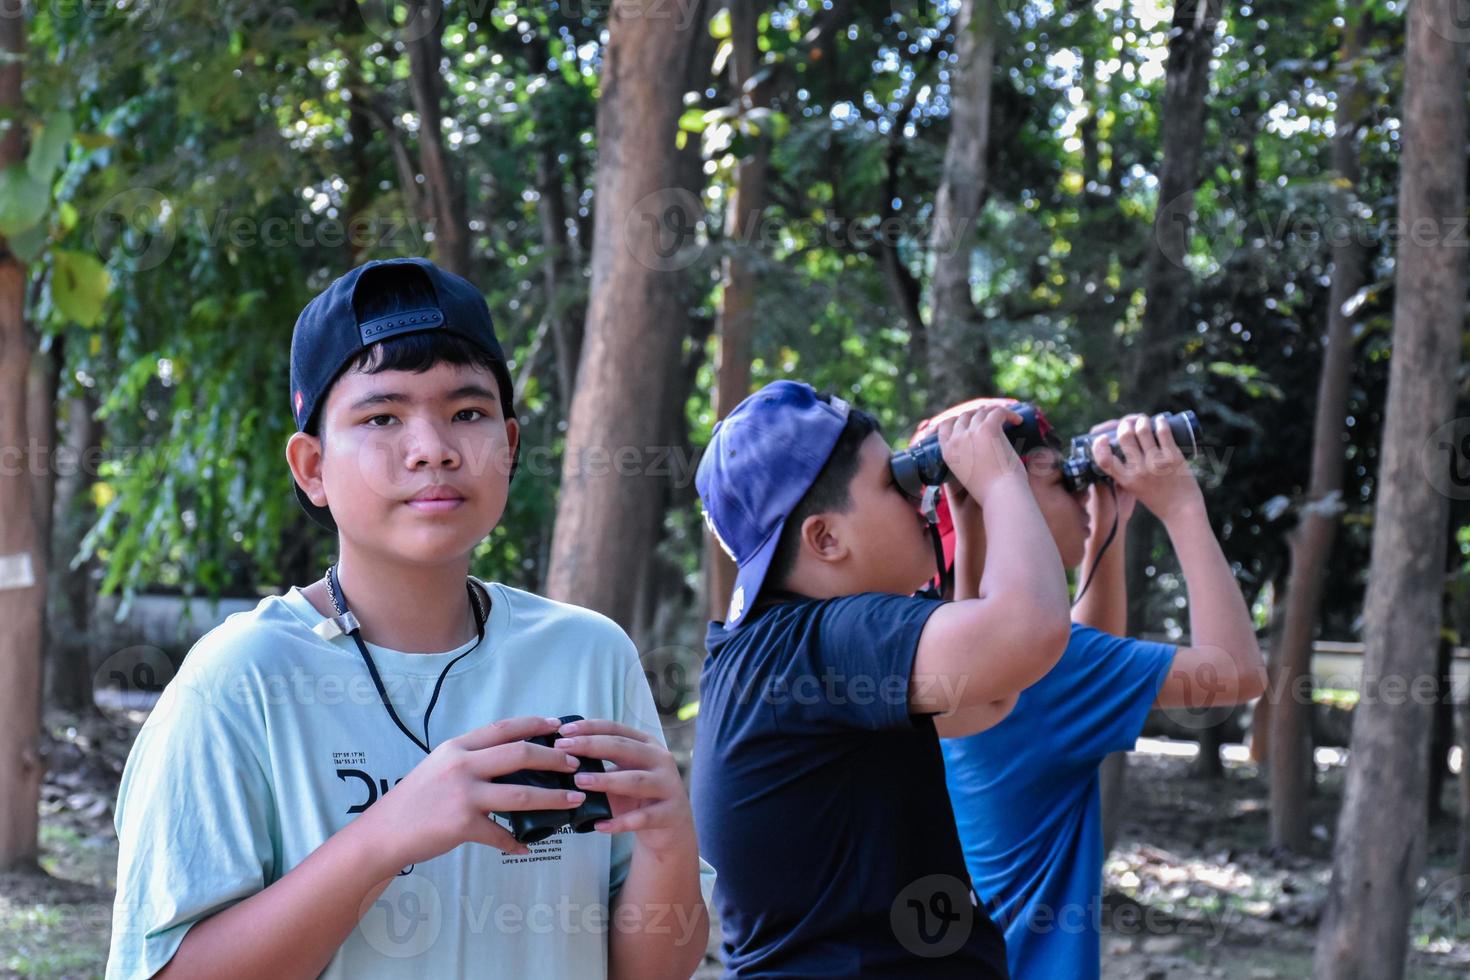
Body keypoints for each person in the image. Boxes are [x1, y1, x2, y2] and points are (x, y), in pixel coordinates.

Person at [107, 258, 711, 979]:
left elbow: (649, 970)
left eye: (468, 413)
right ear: (310, 467)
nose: (433, 448)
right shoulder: (239, 682)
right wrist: (386, 833)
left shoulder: (586, 655)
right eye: (382, 416)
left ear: (510, 446)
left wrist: (670, 840)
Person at [690, 380, 1074, 977]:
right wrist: (1001, 480)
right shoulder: (823, 642)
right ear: (826, 538)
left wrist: (969, 520)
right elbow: (1030, 632)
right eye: (895, 483)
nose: (919, 495)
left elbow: (985, 697)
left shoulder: (770, 653)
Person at [924, 397, 1268, 980]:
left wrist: (1108, 524)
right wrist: (1182, 505)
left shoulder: (939, 641)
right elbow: (1235, 671)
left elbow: (1083, 652)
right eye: (1062, 479)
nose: (1081, 490)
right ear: (1004, 502)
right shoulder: (1050, 671)